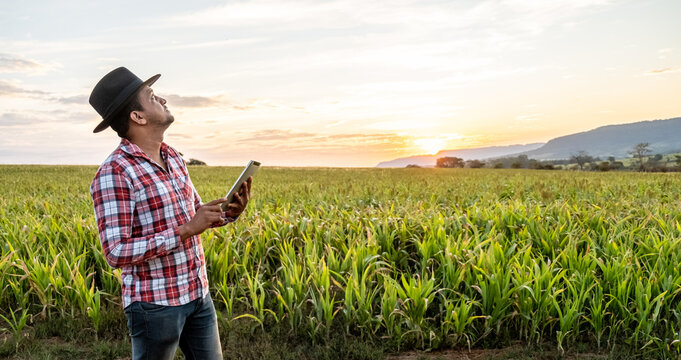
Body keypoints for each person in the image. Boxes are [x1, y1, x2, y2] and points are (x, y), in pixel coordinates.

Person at [88, 67, 251, 359]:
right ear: (137, 117)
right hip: (155, 306)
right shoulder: (115, 172)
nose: (162, 99)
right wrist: (186, 229)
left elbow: (195, 214)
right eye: (151, 96)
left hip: (197, 294)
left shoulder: (173, 156)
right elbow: (115, 252)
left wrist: (229, 213)